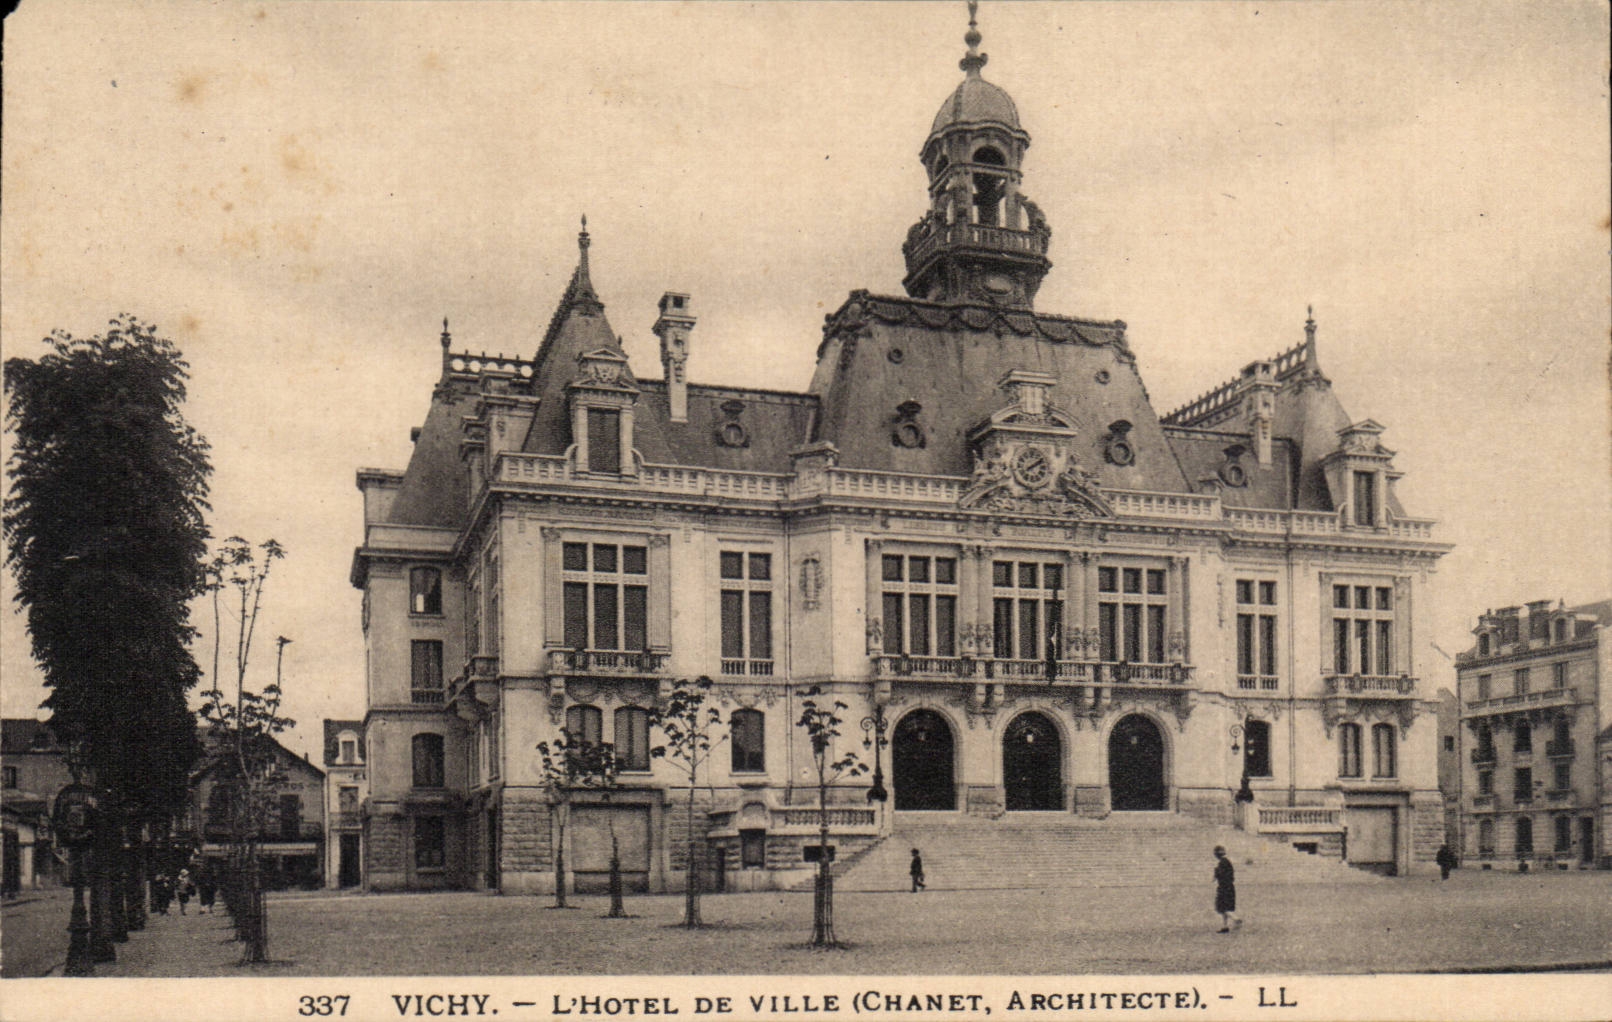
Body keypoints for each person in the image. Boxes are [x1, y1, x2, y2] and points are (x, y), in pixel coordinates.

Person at [1212, 846, 1239, 933]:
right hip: (1230, 887)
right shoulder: (1227, 862)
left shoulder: (1222, 863)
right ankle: (1225, 926)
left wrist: (1215, 873)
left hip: (1224, 888)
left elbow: (1219, 876)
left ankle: (1236, 919)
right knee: (1226, 907)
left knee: (1221, 907)